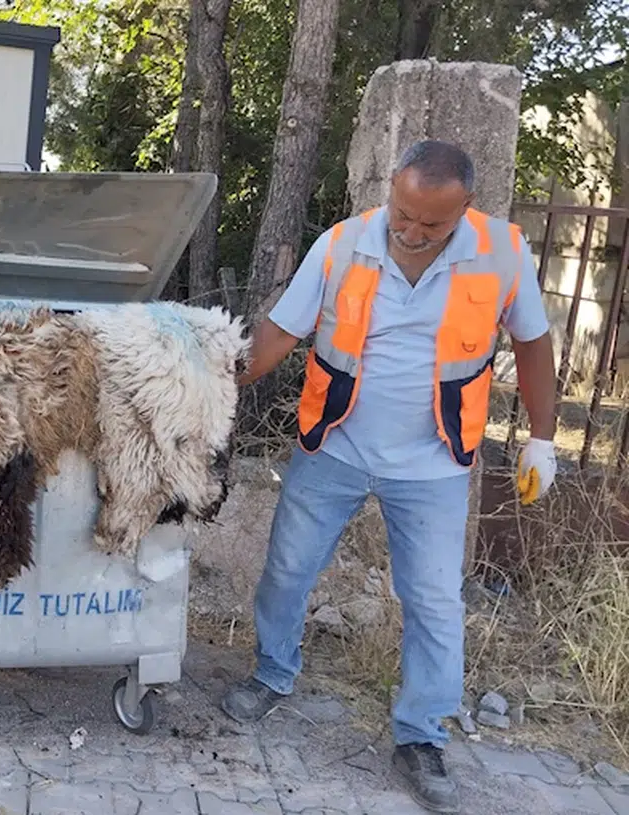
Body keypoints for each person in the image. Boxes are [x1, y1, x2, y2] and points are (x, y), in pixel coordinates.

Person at [221, 140, 558, 814]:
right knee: (288, 567)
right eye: (402, 213)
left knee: (434, 600)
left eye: (430, 224)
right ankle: (272, 671)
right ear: (391, 191)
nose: (410, 231)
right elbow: (279, 335)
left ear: (464, 208)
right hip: (335, 446)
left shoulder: (502, 252)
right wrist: (207, 385)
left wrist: (543, 439)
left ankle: (421, 733)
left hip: (434, 459)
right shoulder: (344, 244)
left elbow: (533, 341)